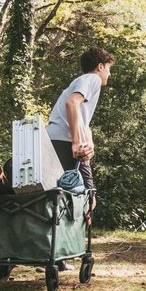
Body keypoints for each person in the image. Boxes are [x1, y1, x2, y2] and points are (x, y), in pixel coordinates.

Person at [46, 46, 114, 217]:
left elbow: (83, 120)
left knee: (71, 195)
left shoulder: (83, 81)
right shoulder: (93, 79)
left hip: (56, 139)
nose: (109, 74)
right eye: (109, 68)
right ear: (100, 66)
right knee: (87, 198)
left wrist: (89, 141)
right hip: (65, 141)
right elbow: (72, 103)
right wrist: (77, 142)